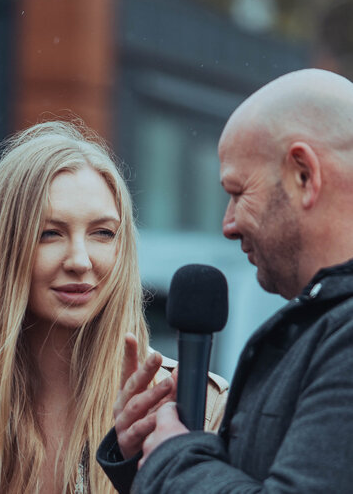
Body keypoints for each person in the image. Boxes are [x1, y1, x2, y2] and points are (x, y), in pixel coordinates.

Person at [0, 121, 227, 493]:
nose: (80, 260)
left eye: (102, 233)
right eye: (50, 233)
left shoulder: (196, 407)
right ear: (3, 251)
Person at [97, 68, 353, 493]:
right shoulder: (325, 324)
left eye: (237, 192)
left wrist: (173, 458)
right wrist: (145, 460)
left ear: (304, 175)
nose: (228, 225)